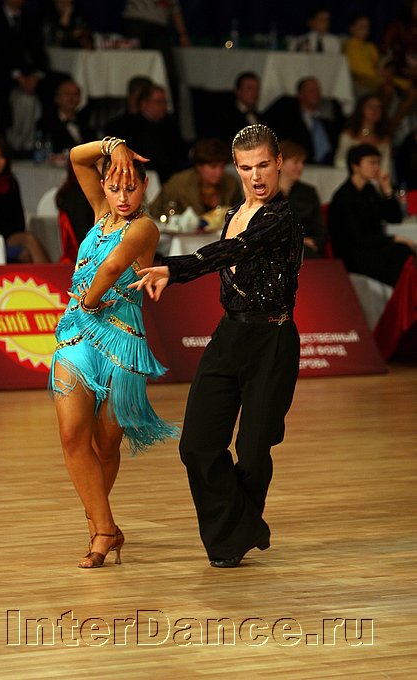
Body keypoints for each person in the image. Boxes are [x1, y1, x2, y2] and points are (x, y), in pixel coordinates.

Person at [129, 124, 304, 568]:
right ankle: (243, 527)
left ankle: (230, 541)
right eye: (245, 168)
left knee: (253, 450)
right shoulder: (234, 213)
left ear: (278, 162)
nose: (256, 176)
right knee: (196, 445)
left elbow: (234, 252)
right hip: (229, 337)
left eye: (263, 165)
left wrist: (174, 269)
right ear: (236, 168)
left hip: (272, 340)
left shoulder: (282, 218)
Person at [49, 136, 178, 568]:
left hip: (122, 341)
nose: (122, 196)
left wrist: (87, 303)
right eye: (114, 186)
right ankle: (104, 529)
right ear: (103, 187)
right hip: (76, 337)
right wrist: (114, 146)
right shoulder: (100, 213)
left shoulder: (145, 228)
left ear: (145, 187)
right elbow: (76, 157)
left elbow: (112, 267)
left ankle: (99, 528)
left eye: (131, 188)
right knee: (72, 435)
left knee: (106, 447)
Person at [327, 143, 416, 287]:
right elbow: (357, 238)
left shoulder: (369, 190)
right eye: (371, 163)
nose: (376, 167)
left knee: (402, 252)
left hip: (370, 248)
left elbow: (394, 218)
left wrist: (386, 189)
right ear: (355, 166)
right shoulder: (344, 197)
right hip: (353, 254)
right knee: (400, 253)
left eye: (378, 163)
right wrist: (393, 238)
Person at [0, 0, 51, 155]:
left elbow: (40, 52)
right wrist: (18, 76)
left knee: (52, 85)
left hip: (29, 74)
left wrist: (35, 75)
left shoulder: (31, 17)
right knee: (1, 90)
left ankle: (43, 140)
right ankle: (6, 145)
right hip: (1, 73)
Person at [0, 133, 50, 262]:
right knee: (26, 247)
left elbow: (19, 223)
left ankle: (49, 273)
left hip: (9, 236)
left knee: (28, 239)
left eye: (1, 156)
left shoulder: (10, 182)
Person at [105, 83, 189, 183]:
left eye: (165, 102)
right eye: (159, 102)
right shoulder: (129, 126)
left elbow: (178, 151)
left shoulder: (169, 124)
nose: (164, 106)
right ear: (144, 103)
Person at [121, 0, 191, 114]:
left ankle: (167, 116)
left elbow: (174, 7)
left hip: (157, 26)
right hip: (136, 23)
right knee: (133, 74)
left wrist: (182, 34)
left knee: (168, 75)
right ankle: (132, 115)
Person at [149, 137, 242, 222]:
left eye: (222, 166)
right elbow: (155, 211)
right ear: (198, 166)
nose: (219, 172)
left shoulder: (231, 183)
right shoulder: (178, 183)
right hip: (184, 234)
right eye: (213, 167)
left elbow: (240, 213)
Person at [264, 76, 344, 165]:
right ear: (300, 94)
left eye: (318, 90)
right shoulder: (288, 120)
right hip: (302, 165)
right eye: (311, 91)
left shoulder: (328, 123)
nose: (316, 94)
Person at [279, 139, 326, 258]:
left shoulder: (309, 192)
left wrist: (314, 242)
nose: (301, 167)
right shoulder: (266, 192)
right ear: (280, 163)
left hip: (306, 252)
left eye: (302, 162)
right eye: (296, 162)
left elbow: (320, 230)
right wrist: (299, 240)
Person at [334, 93, 392, 175]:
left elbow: (386, 169)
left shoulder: (384, 139)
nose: (374, 110)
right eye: (370, 106)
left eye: (378, 107)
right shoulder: (348, 135)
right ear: (361, 108)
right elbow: (339, 162)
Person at [36, 77, 95, 156]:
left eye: (75, 94)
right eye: (67, 94)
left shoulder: (86, 122)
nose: (71, 98)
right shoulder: (46, 123)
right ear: (56, 98)